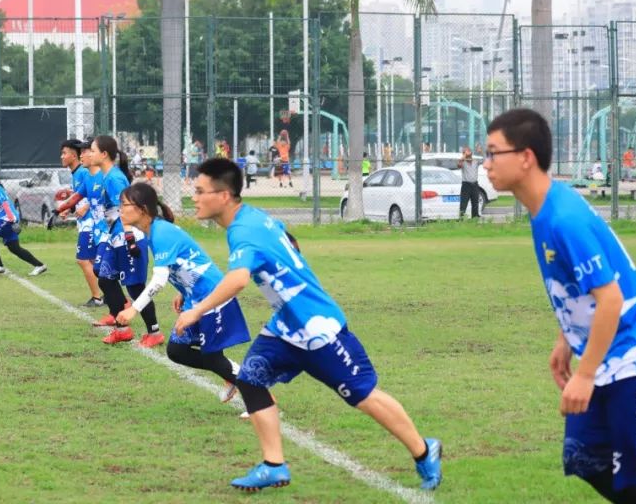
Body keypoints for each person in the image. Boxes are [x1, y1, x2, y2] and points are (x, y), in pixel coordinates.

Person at [175, 158, 442, 492]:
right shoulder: (250, 218)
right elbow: (289, 241)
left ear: (225, 195)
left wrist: (196, 310)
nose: (194, 196)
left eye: (200, 191)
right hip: (286, 327)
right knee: (251, 379)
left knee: (362, 396)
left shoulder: (244, 231)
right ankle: (274, 465)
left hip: (318, 328)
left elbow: (239, 279)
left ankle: (422, 449)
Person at [482, 109, 636, 503]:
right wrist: (566, 340)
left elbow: (610, 298)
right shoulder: (544, 209)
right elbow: (582, 287)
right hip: (609, 358)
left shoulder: (563, 218)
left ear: (525, 157)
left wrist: (585, 375)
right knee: (586, 457)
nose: (486, 163)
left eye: (494, 153)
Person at [115, 182, 251, 407]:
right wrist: (183, 291)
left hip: (211, 296)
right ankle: (234, 377)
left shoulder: (161, 233)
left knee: (212, 357)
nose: (120, 209)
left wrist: (133, 309)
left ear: (142, 209)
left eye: (124, 204)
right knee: (177, 351)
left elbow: (159, 278)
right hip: (195, 296)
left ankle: (258, 394)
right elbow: (181, 264)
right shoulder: (153, 231)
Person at [90, 135, 164, 347]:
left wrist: (130, 238)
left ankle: (154, 332)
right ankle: (122, 328)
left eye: (93, 150)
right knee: (105, 278)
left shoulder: (115, 178)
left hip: (127, 236)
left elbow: (128, 211)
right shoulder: (107, 176)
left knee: (135, 286)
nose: (89, 154)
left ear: (104, 154)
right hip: (116, 236)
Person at [59, 139, 104, 306]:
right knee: (92, 261)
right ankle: (107, 295)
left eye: (65, 153)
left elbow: (96, 193)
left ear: (74, 155)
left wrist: (85, 206)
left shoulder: (85, 172)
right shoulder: (76, 173)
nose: (61, 156)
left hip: (91, 222)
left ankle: (97, 297)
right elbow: (81, 195)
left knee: (83, 260)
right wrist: (68, 209)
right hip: (84, 221)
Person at [458, 146, 480, 219]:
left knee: (475, 202)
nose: (467, 152)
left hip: (474, 184)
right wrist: (464, 155)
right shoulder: (463, 161)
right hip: (466, 185)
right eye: (465, 152)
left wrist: (480, 151)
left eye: (468, 151)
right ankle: (461, 218)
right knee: (464, 202)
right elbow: (459, 165)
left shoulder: (475, 161)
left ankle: (475, 217)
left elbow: (485, 159)